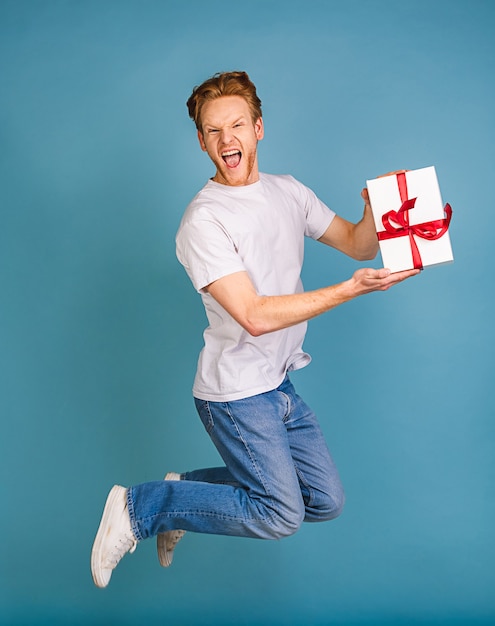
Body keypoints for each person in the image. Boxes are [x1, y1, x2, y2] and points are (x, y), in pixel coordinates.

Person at [91, 71, 419, 588]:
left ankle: (186, 492)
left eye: (237, 125)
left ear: (258, 128)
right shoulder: (204, 220)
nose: (227, 140)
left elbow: (358, 244)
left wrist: (375, 212)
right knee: (279, 513)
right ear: (201, 141)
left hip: (279, 382)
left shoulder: (289, 192)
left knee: (324, 499)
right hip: (236, 391)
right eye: (213, 131)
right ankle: (141, 506)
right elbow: (254, 315)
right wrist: (351, 290)